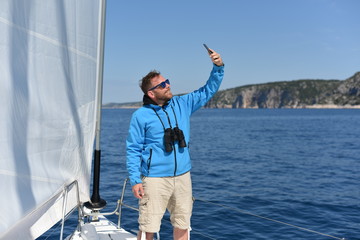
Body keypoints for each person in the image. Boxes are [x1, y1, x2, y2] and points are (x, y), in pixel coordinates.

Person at [126, 47, 224, 240]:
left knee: (183, 225)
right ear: (151, 93)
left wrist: (218, 67)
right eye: (162, 84)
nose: (168, 85)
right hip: (154, 180)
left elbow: (208, 90)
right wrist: (135, 180)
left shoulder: (182, 104)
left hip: (182, 177)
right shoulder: (140, 116)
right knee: (148, 228)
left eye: (167, 81)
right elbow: (133, 149)